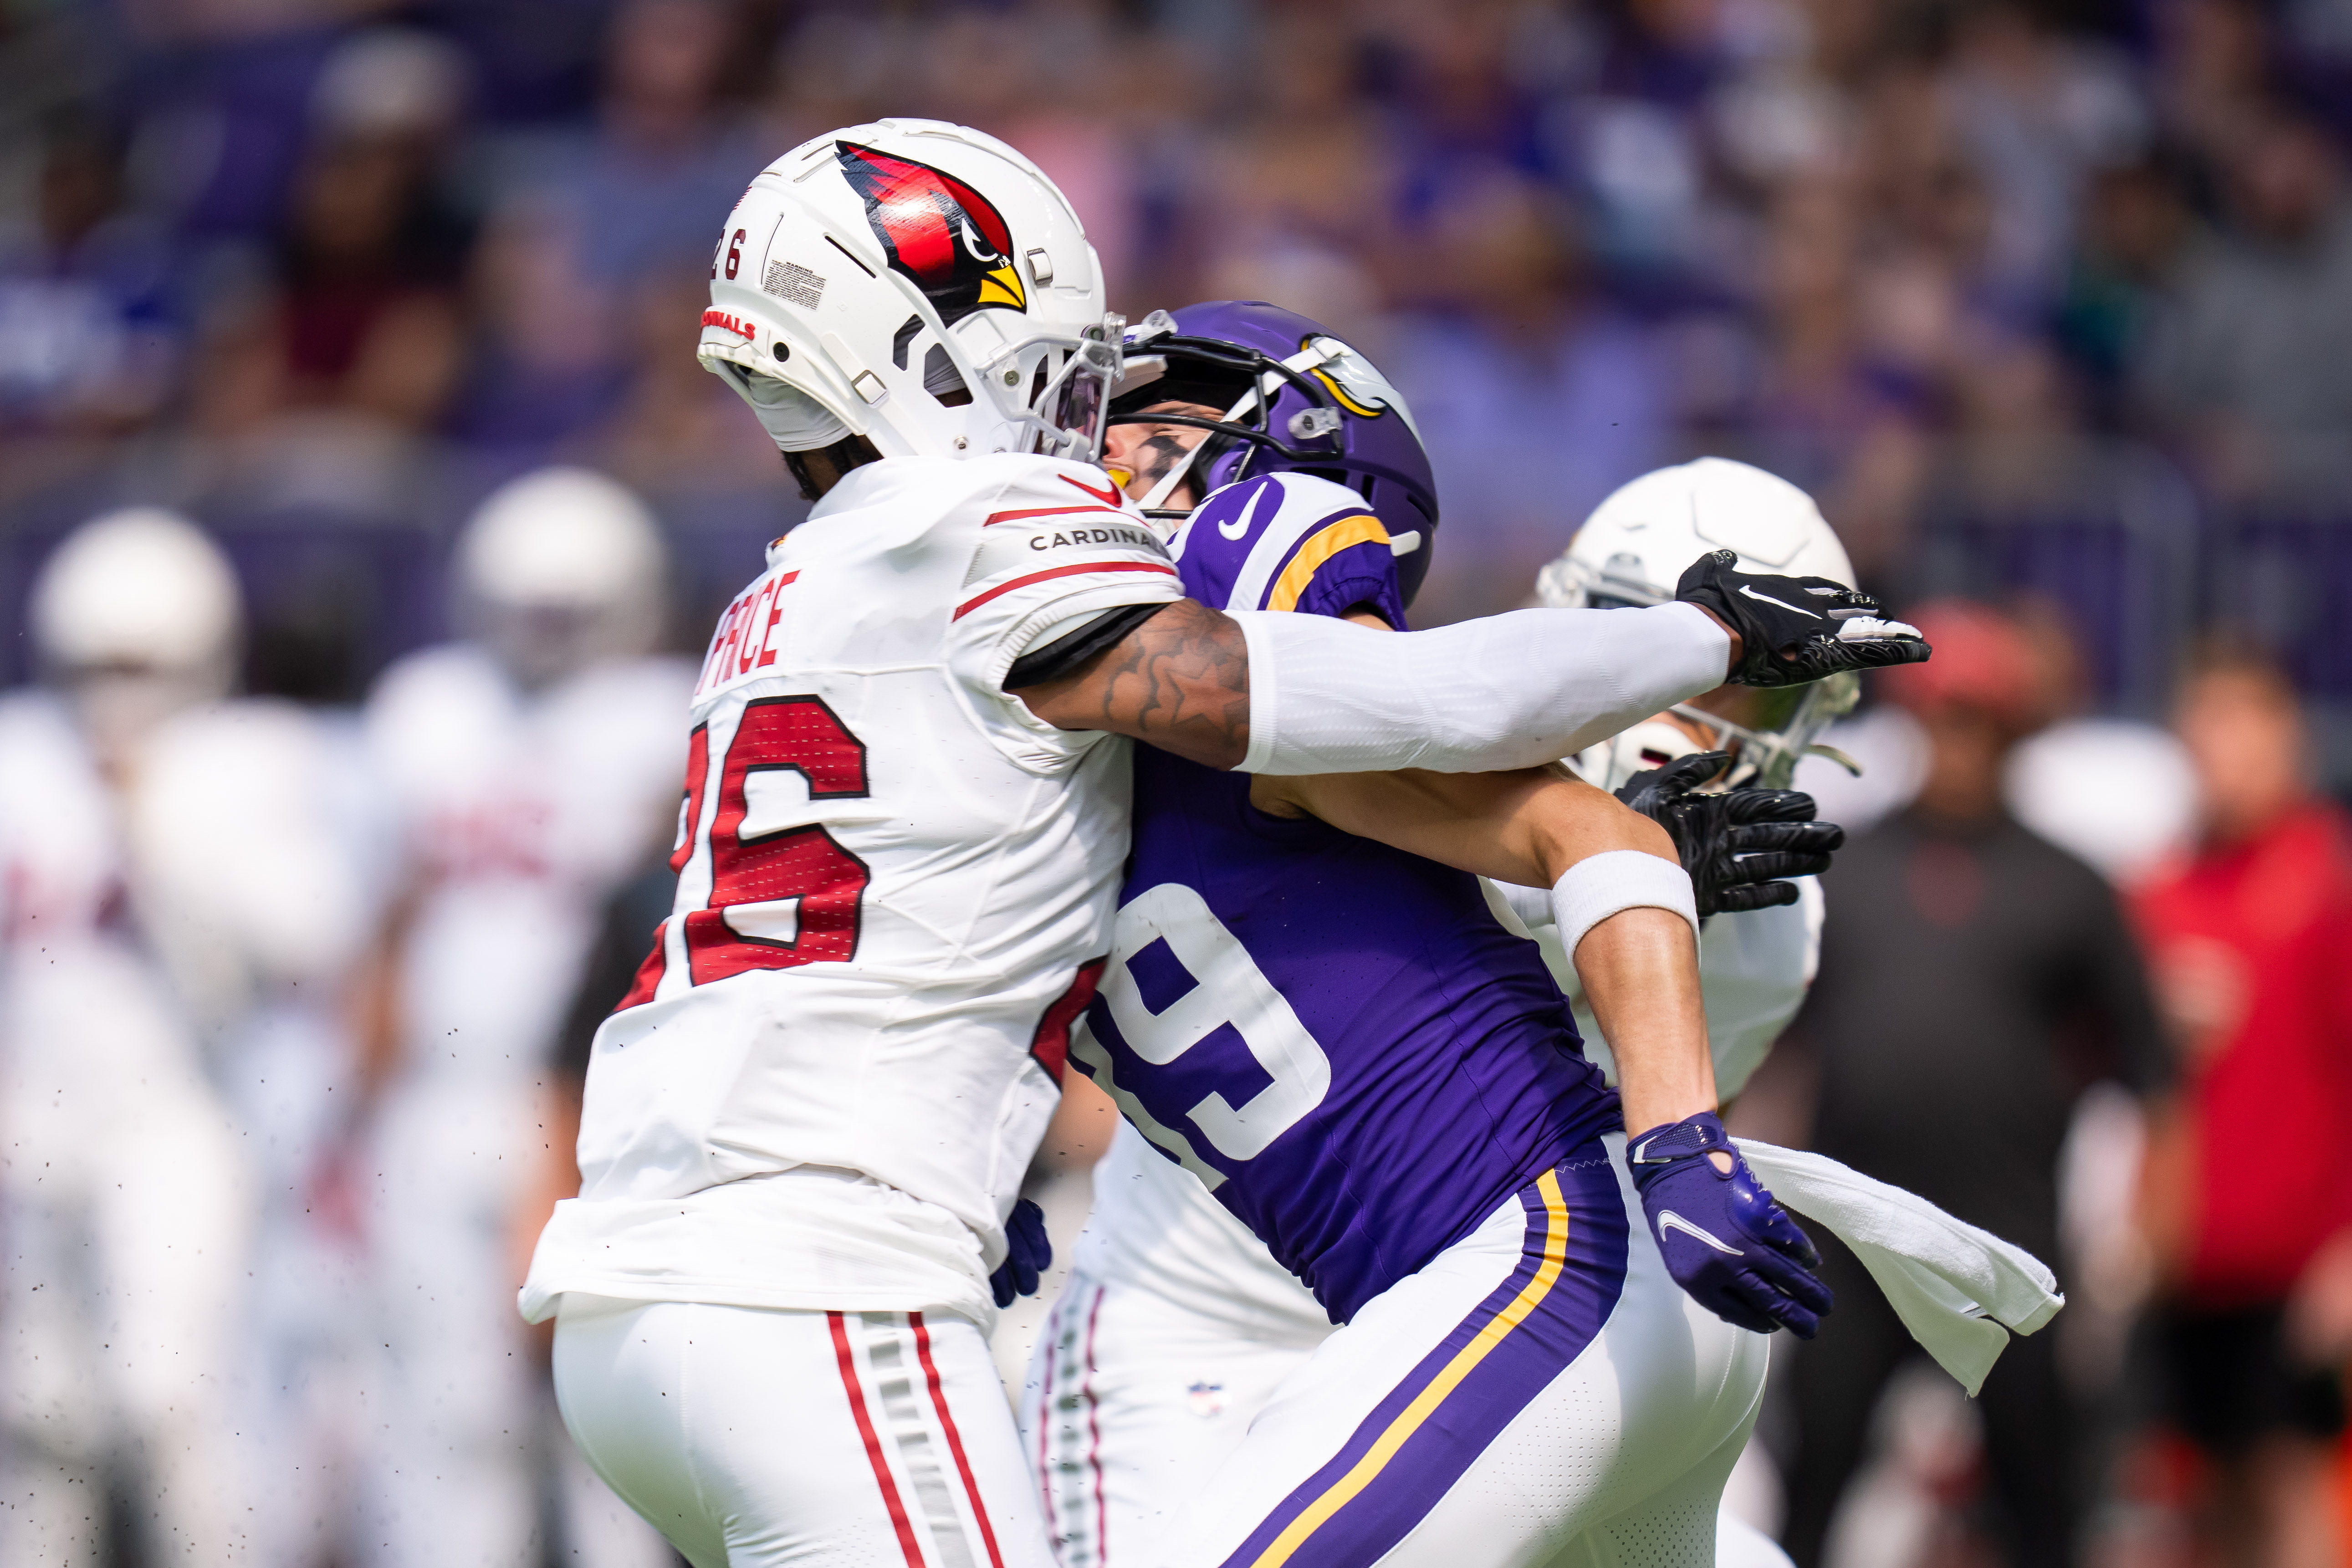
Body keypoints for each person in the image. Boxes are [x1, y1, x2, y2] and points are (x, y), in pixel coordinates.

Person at [522, 120, 1926, 1568]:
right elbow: (1391, 718)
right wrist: (1689, 647)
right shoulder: (1039, 634)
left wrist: (1676, 1116)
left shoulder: (841, 603)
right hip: (903, 1280)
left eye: (1155, 425)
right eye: (1101, 404)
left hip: (686, 1274)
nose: (1102, 443)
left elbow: (1465, 776)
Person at [1025, 333, 1854, 1568]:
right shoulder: (1325, 714)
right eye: (1678, 658)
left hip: (1499, 1284)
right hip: (1204, 1316)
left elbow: (1584, 1075)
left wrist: (1628, 890)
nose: (1699, 729)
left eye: (1754, 697)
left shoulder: (1767, 919)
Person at [347, 466, 692, 1568]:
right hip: (441, 1101)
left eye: (568, 609)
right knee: (448, 1417)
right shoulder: (428, 707)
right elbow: (387, 919)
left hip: (604, 1101)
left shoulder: (665, 712)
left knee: (610, 1409)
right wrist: (353, 1108)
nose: (542, 634)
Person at [1779, 600, 2171, 1568]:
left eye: (1976, 718)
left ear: (2011, 731)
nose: (1954, 739)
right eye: (1939, 715)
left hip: (2004, 1246)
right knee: (1810, 1485)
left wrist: (2149, 1239)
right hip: (1852, 1240)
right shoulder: (1846, 869)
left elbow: (2155, 1074)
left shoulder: (2069, 886)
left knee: (2041, 1504)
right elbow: (1777, 1052)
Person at [0, 510, 262, 1565]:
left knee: (167, 1402)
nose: (119, 690)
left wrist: (154, 826)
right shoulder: (19, 755)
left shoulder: (241, 763)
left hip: (176, 1123)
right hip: (31, 1121)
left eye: (142, 664)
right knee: (37, 1411)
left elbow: (289, 950)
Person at [2131, 643, 2352, 1568]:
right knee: (2204, 1493)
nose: (2217, 753)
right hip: (2187, 1254)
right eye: (2201, 731)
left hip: (2294, 1264)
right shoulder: (2161, 889)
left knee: (2288, 1482)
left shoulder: (2321, 884)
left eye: (2237, 728)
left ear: (2283, 738)